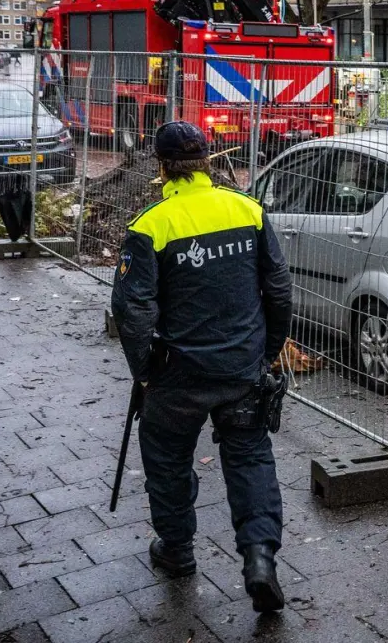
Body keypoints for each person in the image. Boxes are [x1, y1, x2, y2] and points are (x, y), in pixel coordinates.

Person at [110, 121, 295, 612]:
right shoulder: (247, 209)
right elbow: (278, 288)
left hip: (178, 376)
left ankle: (178, 551)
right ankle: (259, 557)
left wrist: (145, 370)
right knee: (251, 457)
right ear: (208, 160)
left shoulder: (152, 223)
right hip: (241, 369)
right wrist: (268, 349)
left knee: (168, 460)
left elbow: (133, 310)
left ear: (162, 165)